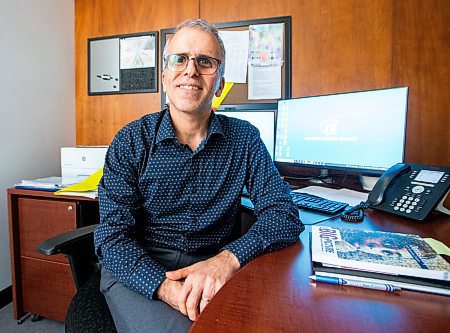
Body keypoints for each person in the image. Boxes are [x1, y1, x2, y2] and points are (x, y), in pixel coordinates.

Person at [94, 18, 303, 333]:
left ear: (219, 83)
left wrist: (227, 260)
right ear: (165, 75)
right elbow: (112, 239)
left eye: (205, 62)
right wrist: (169, 290)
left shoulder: (244, 139)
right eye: (179, 59)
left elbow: (284, 214)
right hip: (140, 267)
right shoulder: (131, 141)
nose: (190, 70)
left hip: (213, 265)